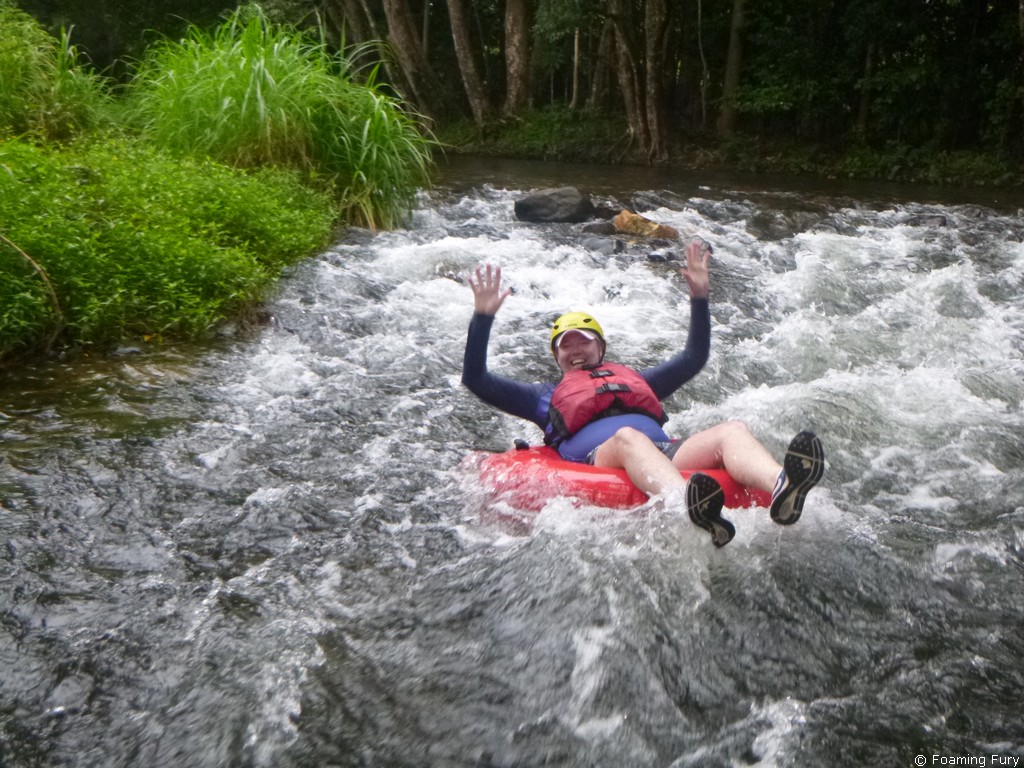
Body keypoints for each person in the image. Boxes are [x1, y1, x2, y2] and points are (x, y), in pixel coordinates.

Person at [462, 239, 825, 547]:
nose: (575, 350)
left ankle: (783, 487)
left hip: (663, 455)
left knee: (732, 430)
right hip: (602, 459)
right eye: (565, 346)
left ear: (600, 348)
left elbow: (693, 358)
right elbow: (476, 379)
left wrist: (700, 297)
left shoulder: (638, 381)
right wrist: (483, 318)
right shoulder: (541, 395)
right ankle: (688, 505)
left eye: (583, 343)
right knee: (628, 436)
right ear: (556, 356)